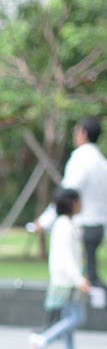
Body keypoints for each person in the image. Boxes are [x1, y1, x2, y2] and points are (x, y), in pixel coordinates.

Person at [29, 188, 95, 349]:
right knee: (76, 317)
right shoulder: (65, 226)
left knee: (68, 317)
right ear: (73, 203)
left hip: (64, 278)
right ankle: (43, 339)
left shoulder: (63, 224)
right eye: (80, 201)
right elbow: (67, 257)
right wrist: (79, 280)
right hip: (68, 280)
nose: (82, 205)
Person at [62, 116, 107, 287]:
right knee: (90, 274)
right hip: (99, 226)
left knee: (85, 278)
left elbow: (68, 193)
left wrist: (45, 221)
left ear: (83, 133)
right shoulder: (102, 162)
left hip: (83, 226)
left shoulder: (80, 159)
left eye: (76, 131)